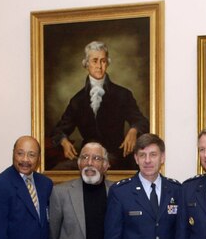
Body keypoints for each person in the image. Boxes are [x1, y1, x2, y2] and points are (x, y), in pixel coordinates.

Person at [51, 41, 149, 171]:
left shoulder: (123, 94)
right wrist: (63, 141)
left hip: (115, 157)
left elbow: (141, 121)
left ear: (107, 63)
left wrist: (133, 129)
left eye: (103, 61)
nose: (99, 66)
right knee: (58, 171)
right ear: (86, 64)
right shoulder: (77, 100)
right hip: (87, 159)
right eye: (95, 61)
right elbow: (59, 130)